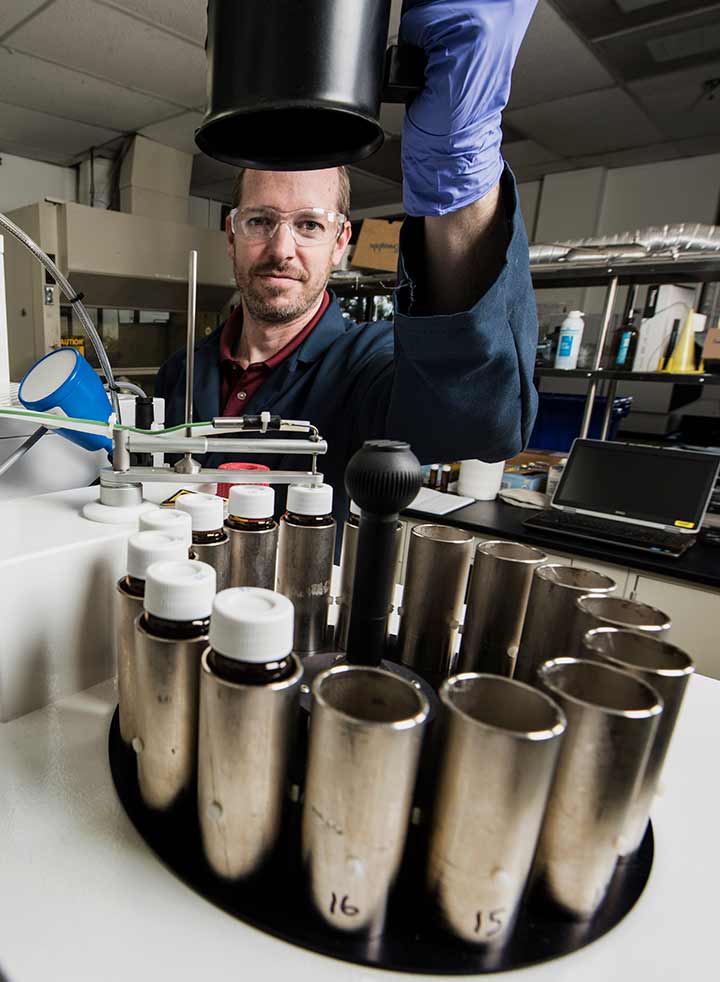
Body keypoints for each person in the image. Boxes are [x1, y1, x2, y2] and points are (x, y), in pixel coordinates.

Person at [157, 0, 539, 536]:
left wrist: (456, 160)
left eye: (309, 225)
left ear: (340, 242)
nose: (282, 249)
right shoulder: (184, 368)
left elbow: (479, 421)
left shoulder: (369, 365)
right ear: (231, 234)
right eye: (260, 220)